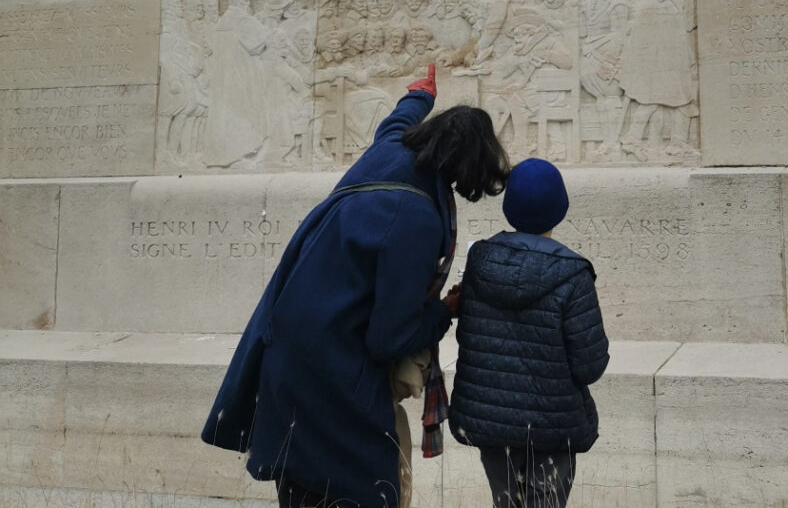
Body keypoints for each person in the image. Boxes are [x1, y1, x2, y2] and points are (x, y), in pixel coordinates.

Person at [201, 64, 509, 508]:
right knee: (351, 492)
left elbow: (397, 122)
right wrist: (446, 310)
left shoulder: (388, 152)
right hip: (333, 379)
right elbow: (390, 336)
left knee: (298, 490)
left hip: (288, 361)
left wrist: (419, 94)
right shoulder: (415, 218)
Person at [448, 158, 610, 508]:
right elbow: (589, 366)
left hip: (490, 422)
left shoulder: (479, 261)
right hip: (553, 426)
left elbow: (470, 341)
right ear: (560, 209)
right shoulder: (573, 274)